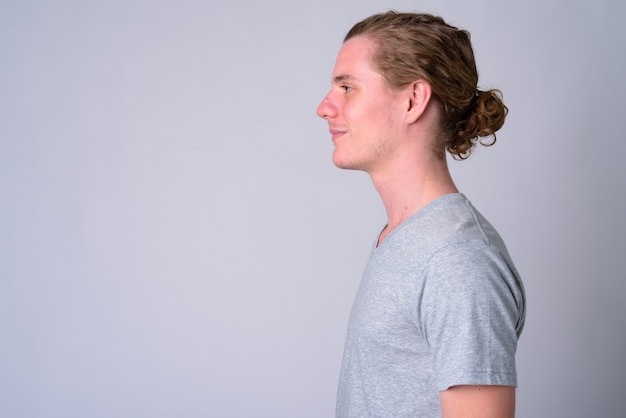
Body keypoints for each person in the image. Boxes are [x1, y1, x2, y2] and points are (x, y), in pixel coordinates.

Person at [316, 11, 526, 418]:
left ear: (413, 100)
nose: (324, 108)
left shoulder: (458, 261)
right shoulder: (406, 236)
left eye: (346, 88)